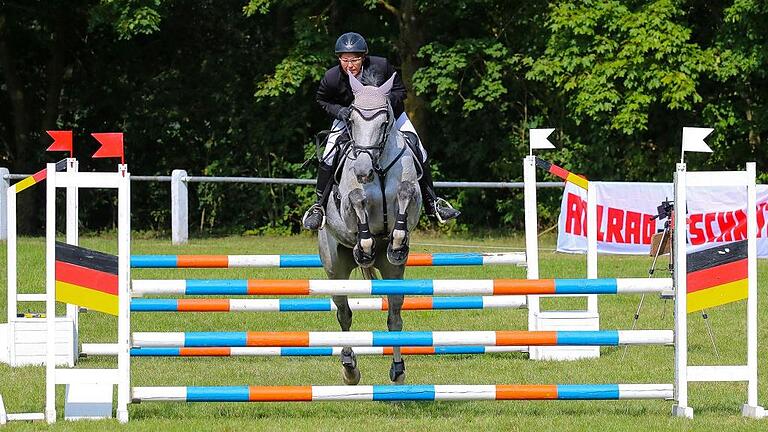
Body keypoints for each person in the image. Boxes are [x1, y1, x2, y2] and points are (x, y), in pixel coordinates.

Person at [302, 32, 460, 230]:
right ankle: (319, 207)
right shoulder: (332, 77)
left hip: (387, 117)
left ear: (364, 57)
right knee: (329, 154)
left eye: (355, 59)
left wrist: (383, 106)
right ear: (339, 58)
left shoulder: (382, 66)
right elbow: (322, 99)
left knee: (419, 148)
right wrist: (340, 111)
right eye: (344, 59)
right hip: (350, 119)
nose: (349, 65)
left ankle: (433, 204)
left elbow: (401, 92)